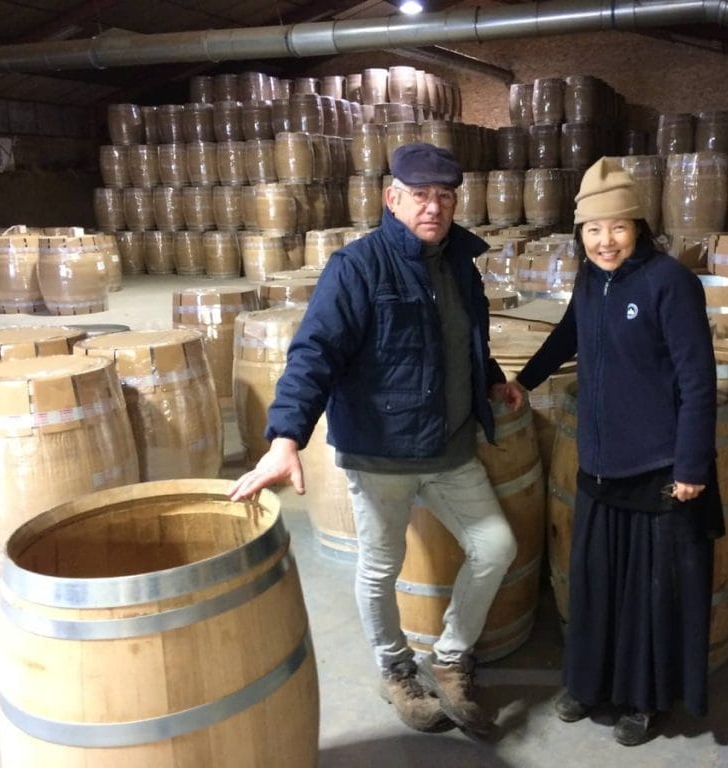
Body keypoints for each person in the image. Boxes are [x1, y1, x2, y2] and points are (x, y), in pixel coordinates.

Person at [229, 143, 522, 736]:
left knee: (495, 547)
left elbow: (465, 341)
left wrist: (490, 382)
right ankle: (395, 670)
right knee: (380, 568)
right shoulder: (358, 267)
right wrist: (286, 436)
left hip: (450, 449)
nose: (433, 207)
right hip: (382, 451)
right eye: (420, 195)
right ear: (392, 199)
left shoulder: (461, 265)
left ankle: (448, 657)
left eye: (444, 196)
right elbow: (315, 354)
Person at [512, 157, 724, 746]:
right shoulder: (590, 279)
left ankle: (643, 699)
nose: (606, 241)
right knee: (596, 583)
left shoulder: (669, 283)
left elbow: (697, 379)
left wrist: (691, 466)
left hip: (657, 467)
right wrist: (523, 381)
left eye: (618, 227)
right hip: (600, 461)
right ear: (581, 234)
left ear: (638, 226)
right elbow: (568, 333)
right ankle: (588, 684)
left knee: (648, 592)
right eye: (593, 230)